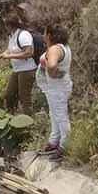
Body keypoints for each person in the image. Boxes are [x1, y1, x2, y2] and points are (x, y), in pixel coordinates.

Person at [36, 23, 73, 160]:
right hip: (58, 87)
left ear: (50, 35)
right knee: (54, 114)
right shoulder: (63, 47)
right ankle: (54, 140)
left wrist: (52, 73)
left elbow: (52, 64)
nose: (43, 36)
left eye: (45, 33)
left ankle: (64, 146)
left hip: (57, 88)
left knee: (61, 116)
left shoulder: (54, 49)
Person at [0, 11, 37, 115]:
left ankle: (28, 121)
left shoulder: (23, 35)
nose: (5, 27)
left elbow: (29, 52)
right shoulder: (12, 36)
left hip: (27, 70)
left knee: (24, 97)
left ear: (10, 25)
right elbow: (10, 50)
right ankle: (11, 116)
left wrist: (9, 56)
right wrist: (2, 54)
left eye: (5, 24)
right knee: (9, 95)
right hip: (17, 70)